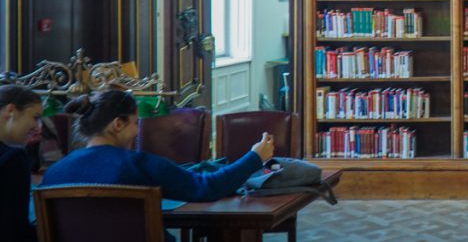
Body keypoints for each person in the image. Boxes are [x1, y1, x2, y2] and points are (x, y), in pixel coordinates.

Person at [41, 89, 273, 202]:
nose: (137, 130)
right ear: (118, 124)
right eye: (135, 123)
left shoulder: (55, 173)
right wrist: (255, 157)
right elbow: (206, 187)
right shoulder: (138, 165)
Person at [0, 85, 43, 242]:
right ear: (10, 111)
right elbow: (13, 229)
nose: (39, 127)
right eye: (35, 117)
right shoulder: (12, 159)